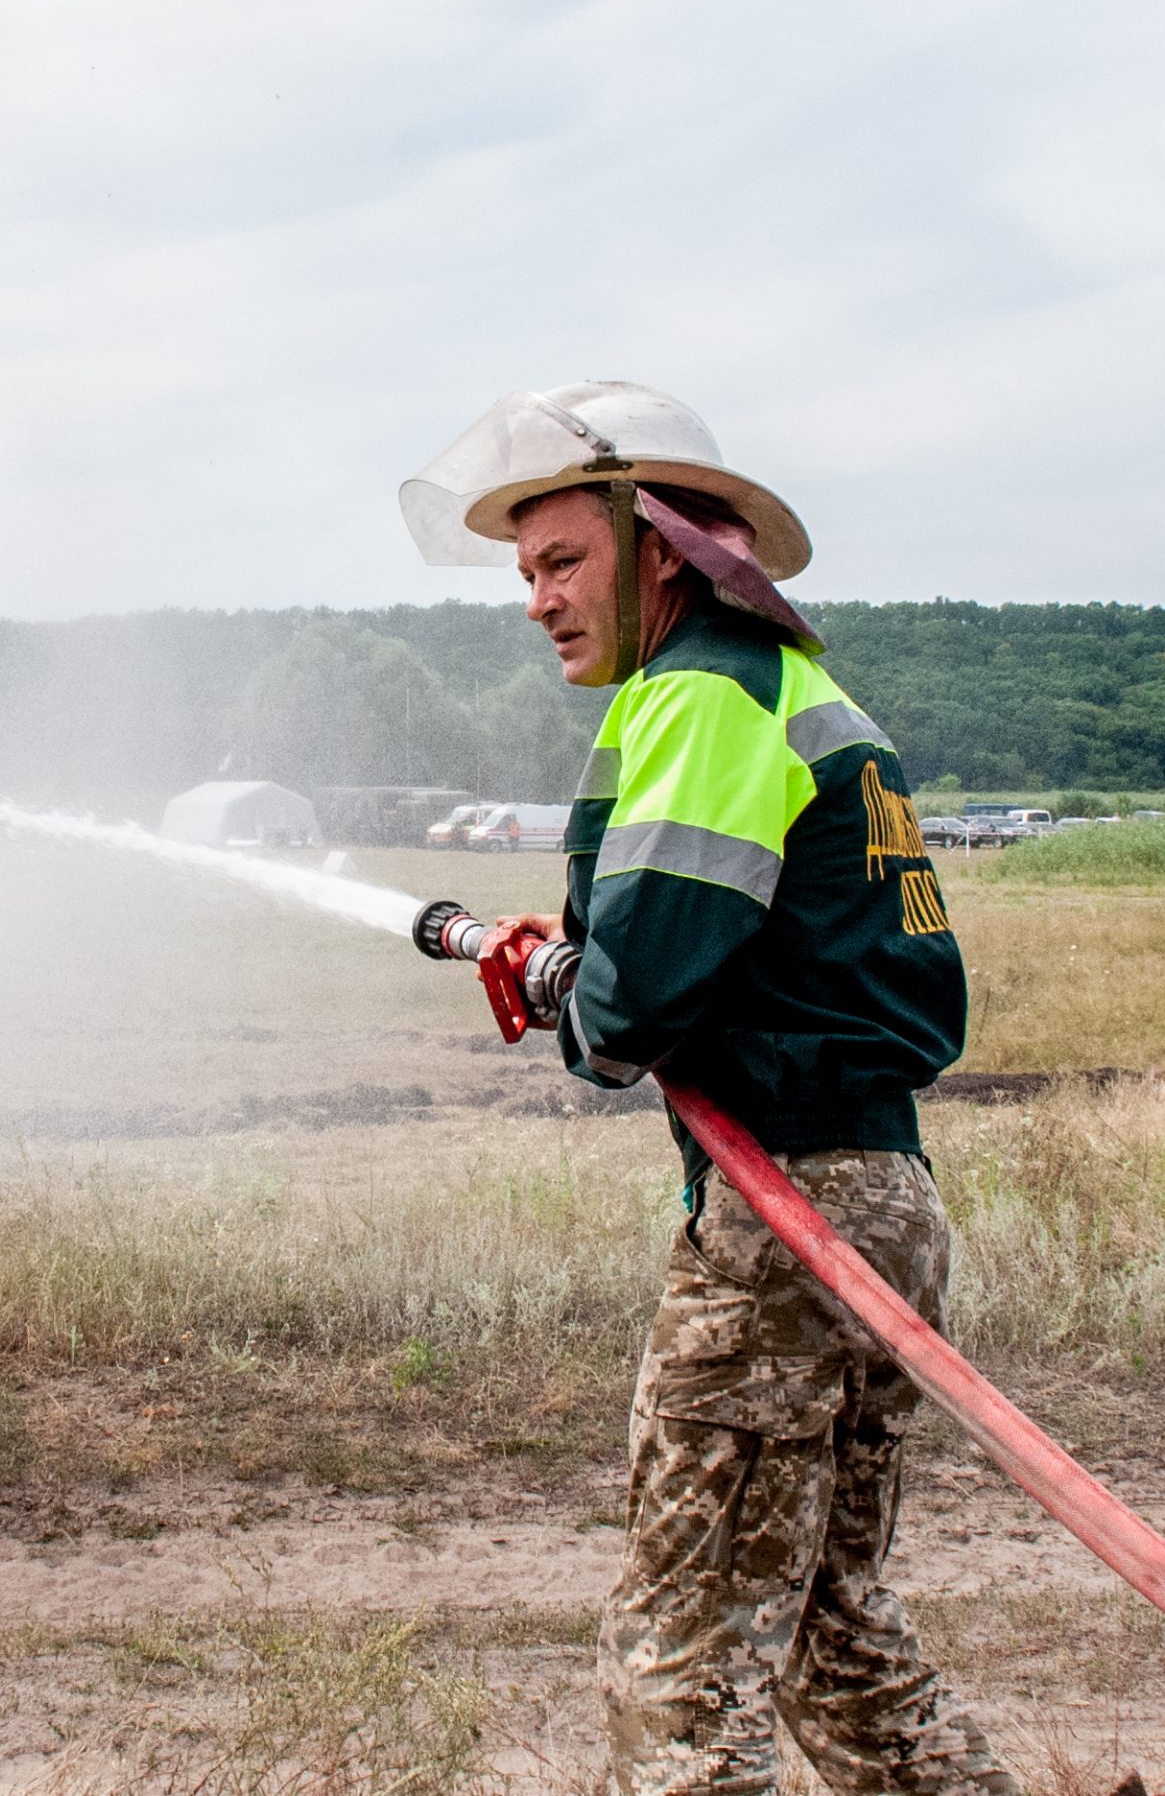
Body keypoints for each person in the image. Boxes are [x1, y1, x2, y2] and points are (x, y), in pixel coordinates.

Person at [402, 384, 1011, 1796]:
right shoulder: (798, 688)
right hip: (887, 1197)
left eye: (562, 562)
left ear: (659, 543)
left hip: (786, 1219)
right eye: (525, 572)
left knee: (680, 1657)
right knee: (830, 1632)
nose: (538, 598)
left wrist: (574, 981)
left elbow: (634, 1010)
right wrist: (598, 966)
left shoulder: (697, 696)